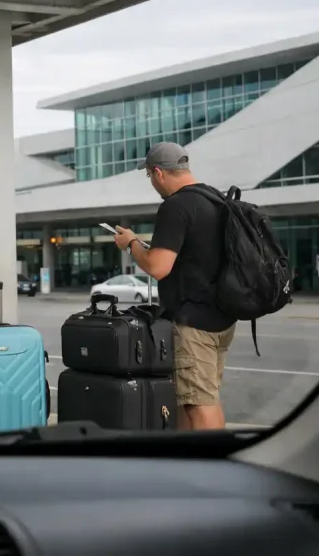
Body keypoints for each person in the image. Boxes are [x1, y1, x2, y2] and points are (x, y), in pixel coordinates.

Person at [110, 142, 236, 432]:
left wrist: (130, 243)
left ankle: (213, 470)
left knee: (201, 406)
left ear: (158, 172)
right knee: (189, 400)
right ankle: (186, 462)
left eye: (150, 176)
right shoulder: (216, 200)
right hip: (222, 317)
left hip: (194, 323)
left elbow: (158, 266)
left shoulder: (176, 206)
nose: (152, 183)